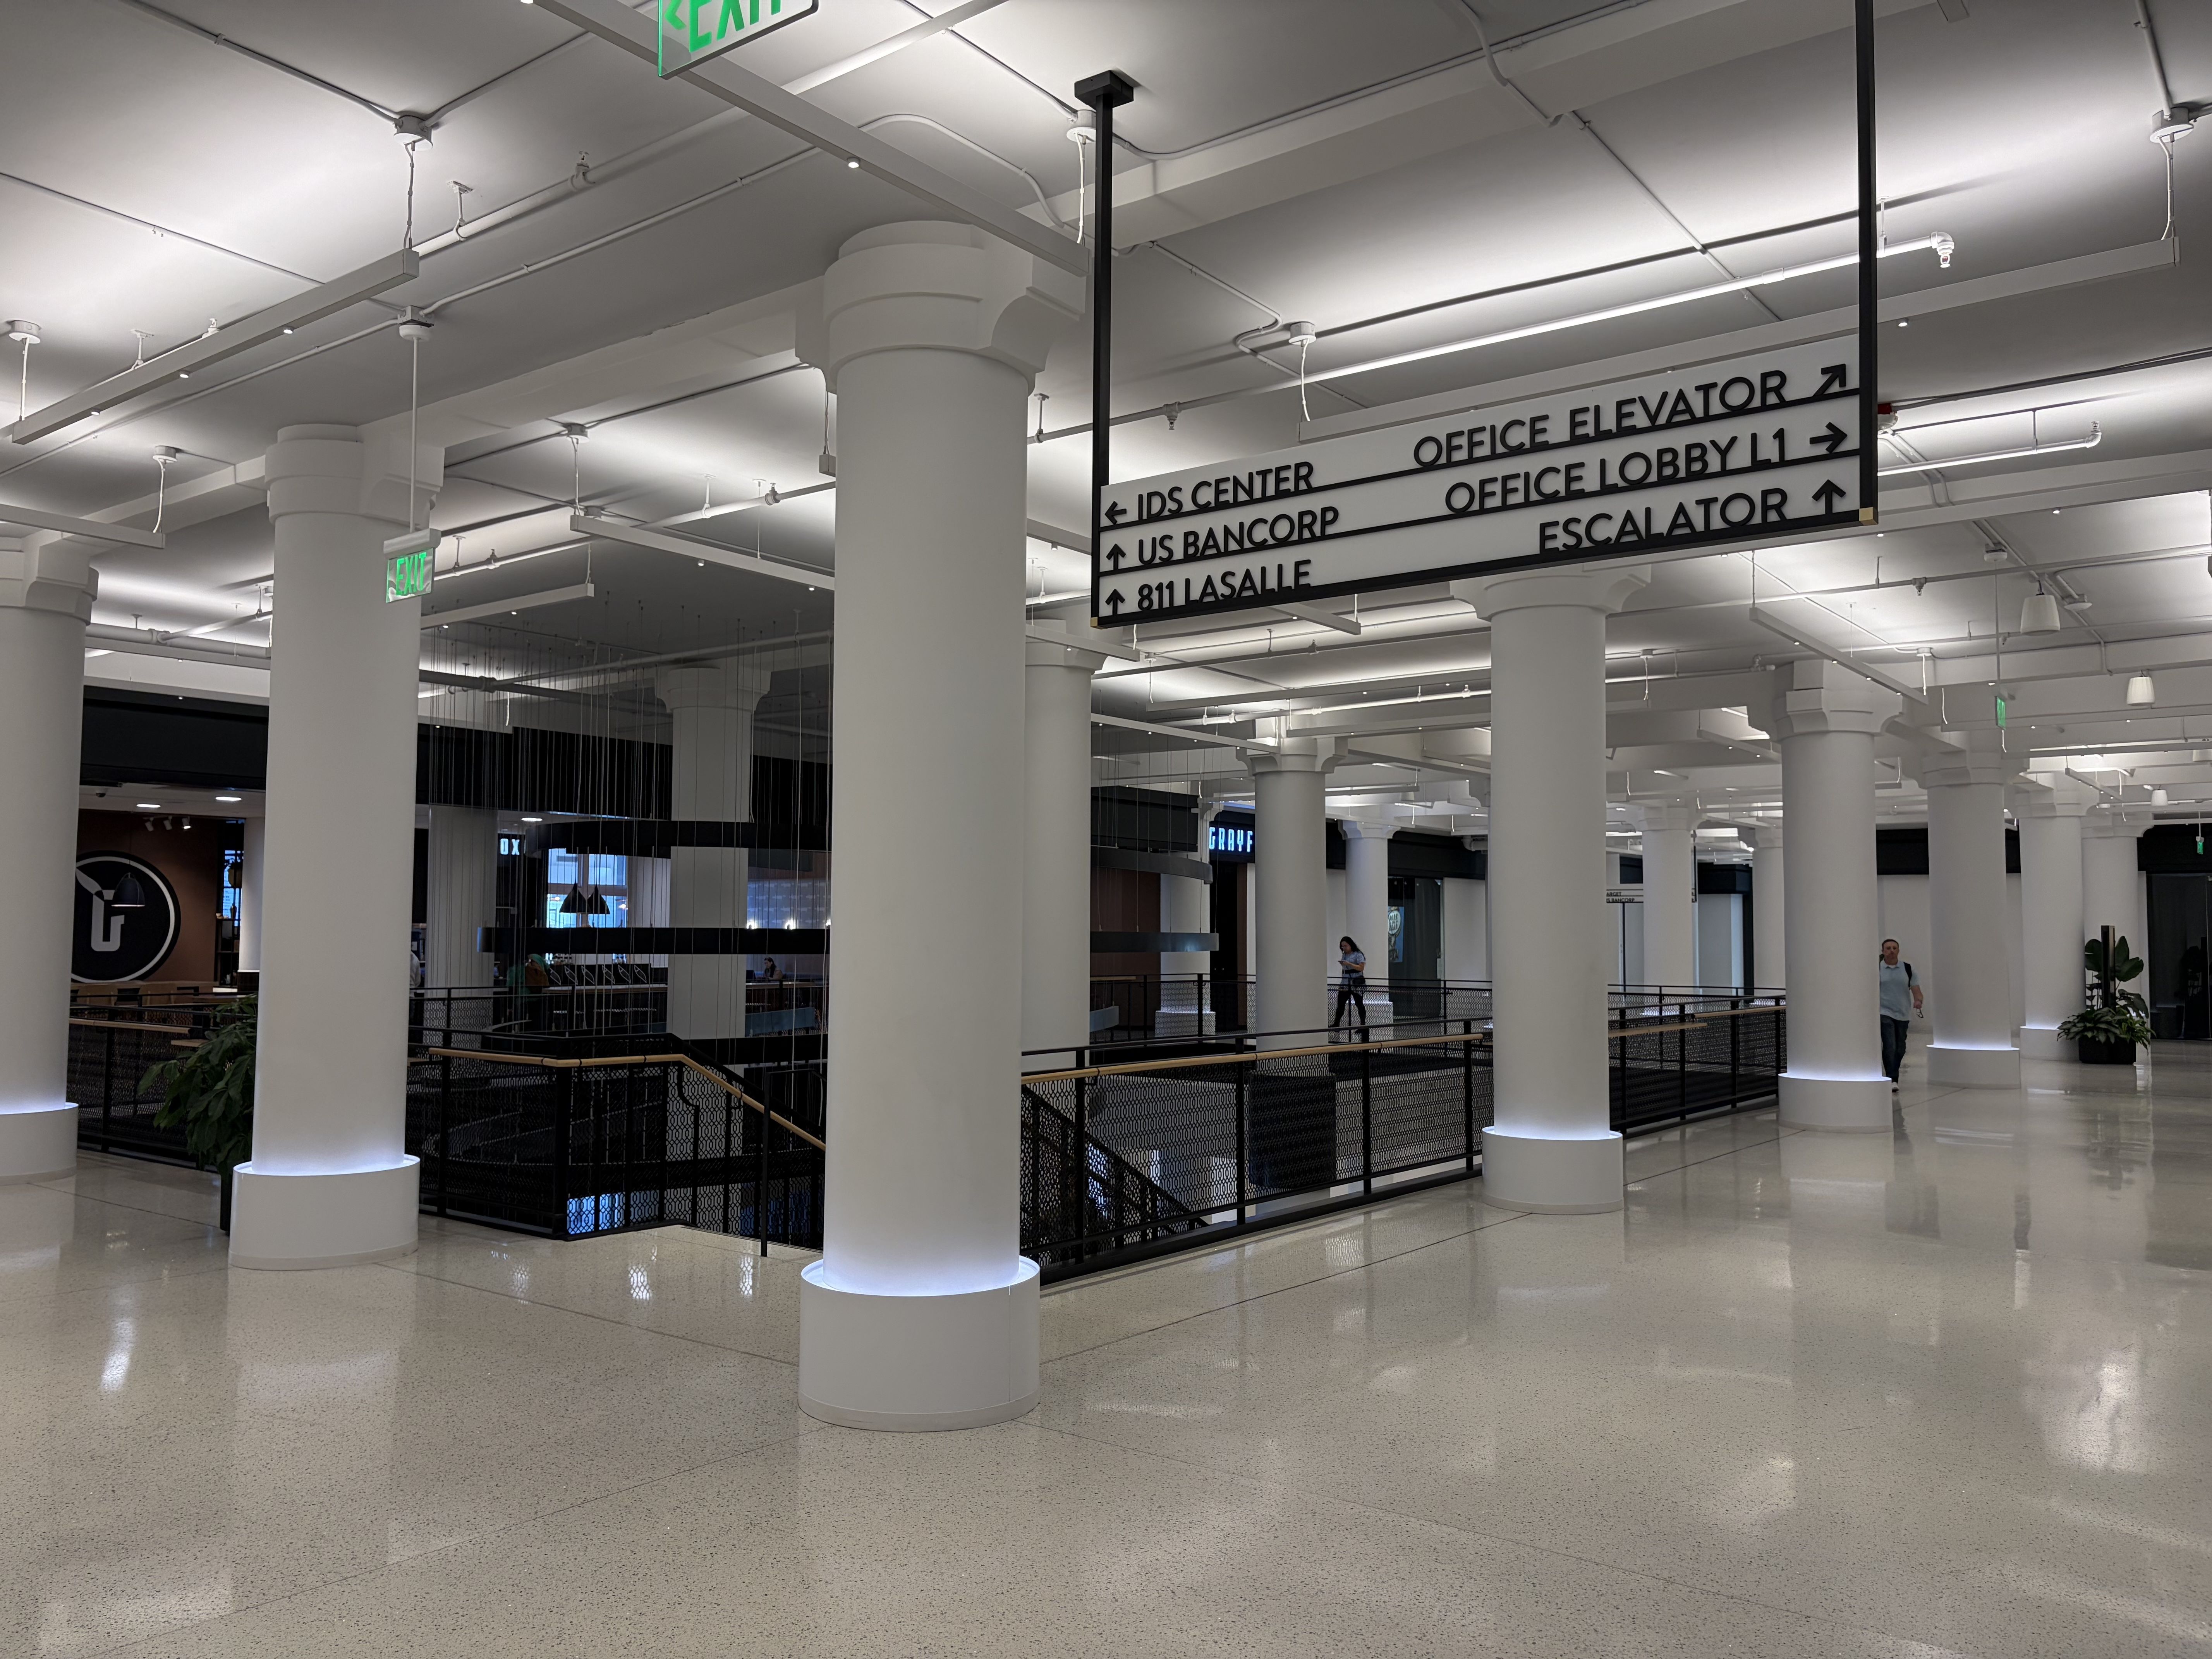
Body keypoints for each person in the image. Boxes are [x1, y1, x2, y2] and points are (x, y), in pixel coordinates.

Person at [1879, 938, 1922, 1090]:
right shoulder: (1878, 969)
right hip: (1884, 1012)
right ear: (1883, 951)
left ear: (1898, 951)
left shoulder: (1908, 969)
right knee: (1890, 1044)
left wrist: (1918, 1001)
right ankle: (1892, 1079)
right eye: (1888, 948)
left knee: (1900, 1048)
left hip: (1903, 1014)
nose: (1892, 951)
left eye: (1894, 948)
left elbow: (1916, 989)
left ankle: (1893, 1074)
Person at [1332, 936, 1369, 1031]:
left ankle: (1363, 1026)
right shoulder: (1345, 955)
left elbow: (1361, 968)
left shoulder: (1358, 954)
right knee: (1341, 1004)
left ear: (1351, 945)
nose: (1344, 948)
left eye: (1346, 946)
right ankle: (1336, 1024)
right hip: (1345, 983)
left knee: (1359, 1004)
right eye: (1343, 947)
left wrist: (1350, 964)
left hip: (1356, 983)